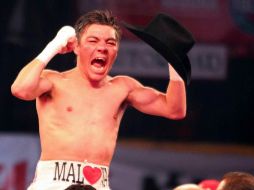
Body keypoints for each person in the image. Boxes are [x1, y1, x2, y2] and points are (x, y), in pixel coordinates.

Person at [11, 10, 194, 190]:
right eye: (93, 40)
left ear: (116, 51)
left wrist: (173, 59)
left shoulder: (123, 87)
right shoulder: (54, 81)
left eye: (110, 43)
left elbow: (174, 109)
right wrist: (54, 46)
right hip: (52, 184)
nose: (102, 48)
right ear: (76, 47)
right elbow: (20, 89)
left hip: (97, 184)